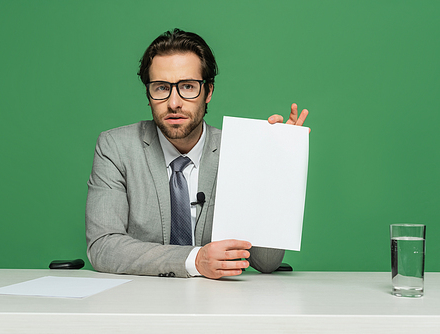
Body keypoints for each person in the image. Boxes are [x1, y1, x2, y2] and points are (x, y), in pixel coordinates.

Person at [86, 29, 308, 279]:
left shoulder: (238, 151)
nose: (174, 103)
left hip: (220, 304)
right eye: (161, 88)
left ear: (208, 91)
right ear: (148, 95)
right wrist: (195, 260)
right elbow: (103, 247)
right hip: (139, 300)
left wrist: (276, 166)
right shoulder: (115, 147)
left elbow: (266, 261)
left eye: (188, 86)